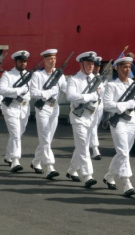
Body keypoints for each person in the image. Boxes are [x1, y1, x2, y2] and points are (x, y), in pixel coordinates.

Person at [103, 54, 135, 197]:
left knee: (123, 152)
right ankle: (127, 183)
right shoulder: (111, 85)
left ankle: (109, 176)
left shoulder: (133, 85)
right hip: (118, 121)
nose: (127, 69)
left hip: (131, 120)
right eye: (124, 67)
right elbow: (107, 105)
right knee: (124, 152)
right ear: (118, 68)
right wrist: (126, 104)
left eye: (129, 67)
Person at [65, 51, 103, 188]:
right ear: (81, 64)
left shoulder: (97, 80)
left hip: (91, 117)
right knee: (83, 146)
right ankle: (88, 175)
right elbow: (70, 96)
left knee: (83, 146)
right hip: (79, 117)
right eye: (88, 63)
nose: (91, 66)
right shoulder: (74, 80)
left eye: (92, 64)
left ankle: (71, 170)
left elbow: (100, 96)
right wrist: (88, 97)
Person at [29, 48, 67, 179]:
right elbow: (33, 93)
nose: (53, 61)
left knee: (48, 139)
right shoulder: (38, 75)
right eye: (50, 59)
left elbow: (66, 88)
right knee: (45, 137)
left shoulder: (59, 75)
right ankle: (49, 167)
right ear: (44, 60)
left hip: (54, 108)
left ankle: (35, 162)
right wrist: (48, 93)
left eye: (55, 58)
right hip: (43, 108)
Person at [0, 50, 32, 172]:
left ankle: (8, 156)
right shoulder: (8, 75)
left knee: (18, 134)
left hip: (24, 108)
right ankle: (15, 160)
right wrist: (17, 91)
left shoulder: (29, 75)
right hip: (11, 108)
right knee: (16, 134)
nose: (23, 63)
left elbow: (31, 91)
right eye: (20, 61)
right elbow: (1, 90)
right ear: (16, 62)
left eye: (25, 61)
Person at [89, 55, 106, 161]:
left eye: (99, 66)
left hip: (99, 106)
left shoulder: (102, 79)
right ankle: (95, 150)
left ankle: (87, 147)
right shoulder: (88, 78)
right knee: (92, 127)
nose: (97, 68)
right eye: (95, 66)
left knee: (94, 127)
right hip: (89, 106)